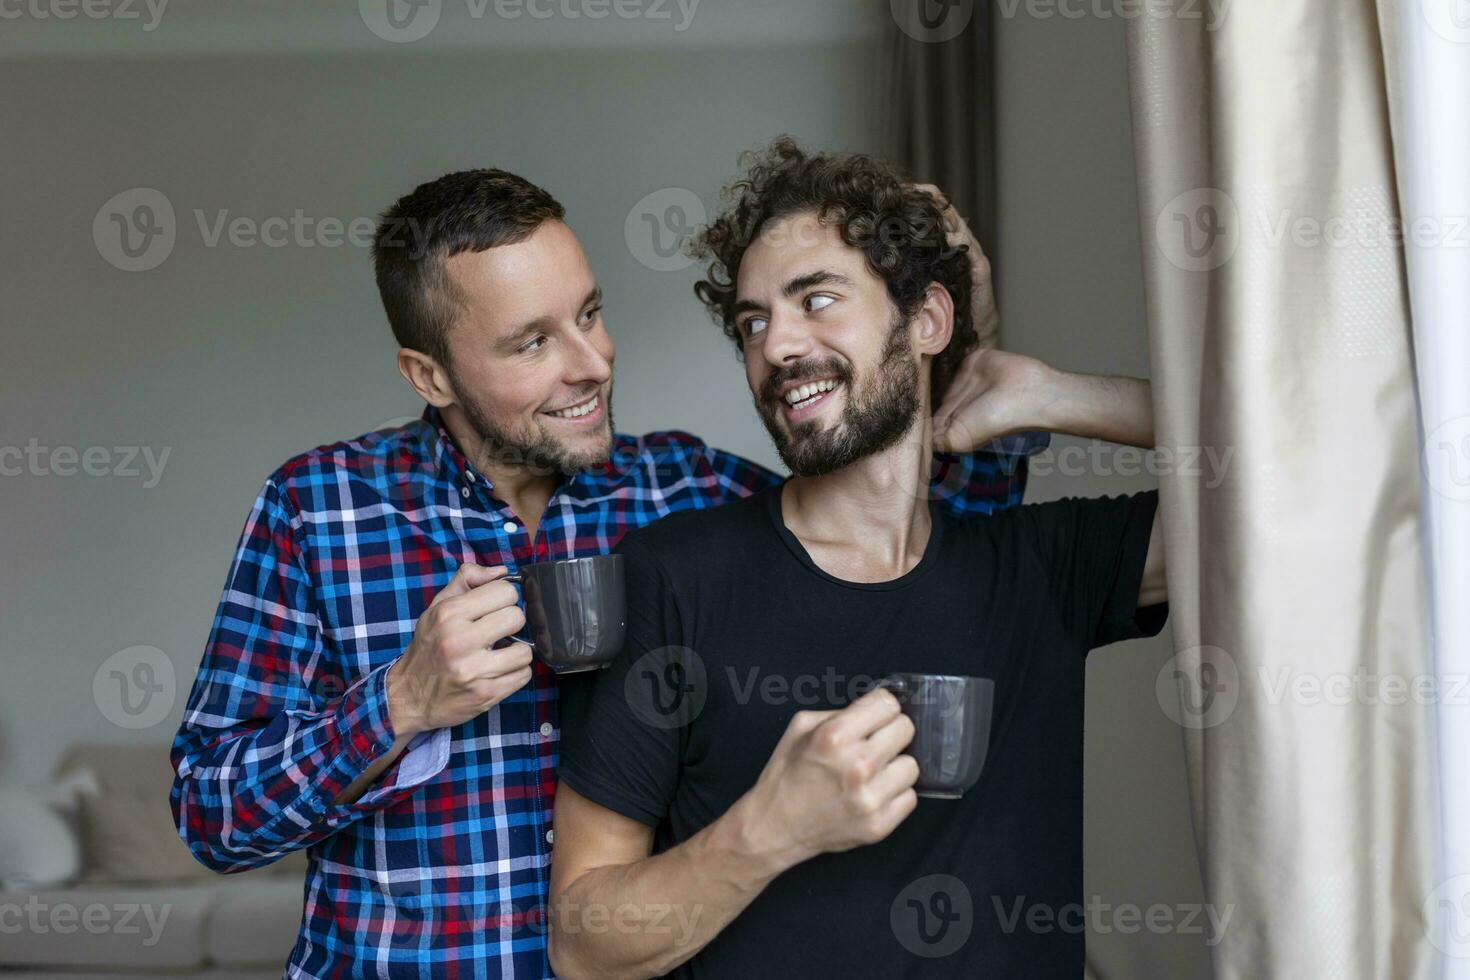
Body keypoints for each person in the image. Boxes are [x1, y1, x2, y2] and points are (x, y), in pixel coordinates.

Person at [168, 164, 1041, 978]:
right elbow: (212, 816)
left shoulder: (684, 490)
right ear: (429, 374)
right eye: (531, 343)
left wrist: (971, 339)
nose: (591, 363)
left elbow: (926, 549)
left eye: (588, 313)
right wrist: (399, 701)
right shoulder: (318, 509)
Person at [549, 138, 1168, 978]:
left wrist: (1055, 395)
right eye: (753, 323)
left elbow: (1317, 473)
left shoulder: (1044, 570)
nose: (777, 347)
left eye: (816, 299)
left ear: (927, 321)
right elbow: (583, 943)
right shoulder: (674, 578)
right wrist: (770, 827)